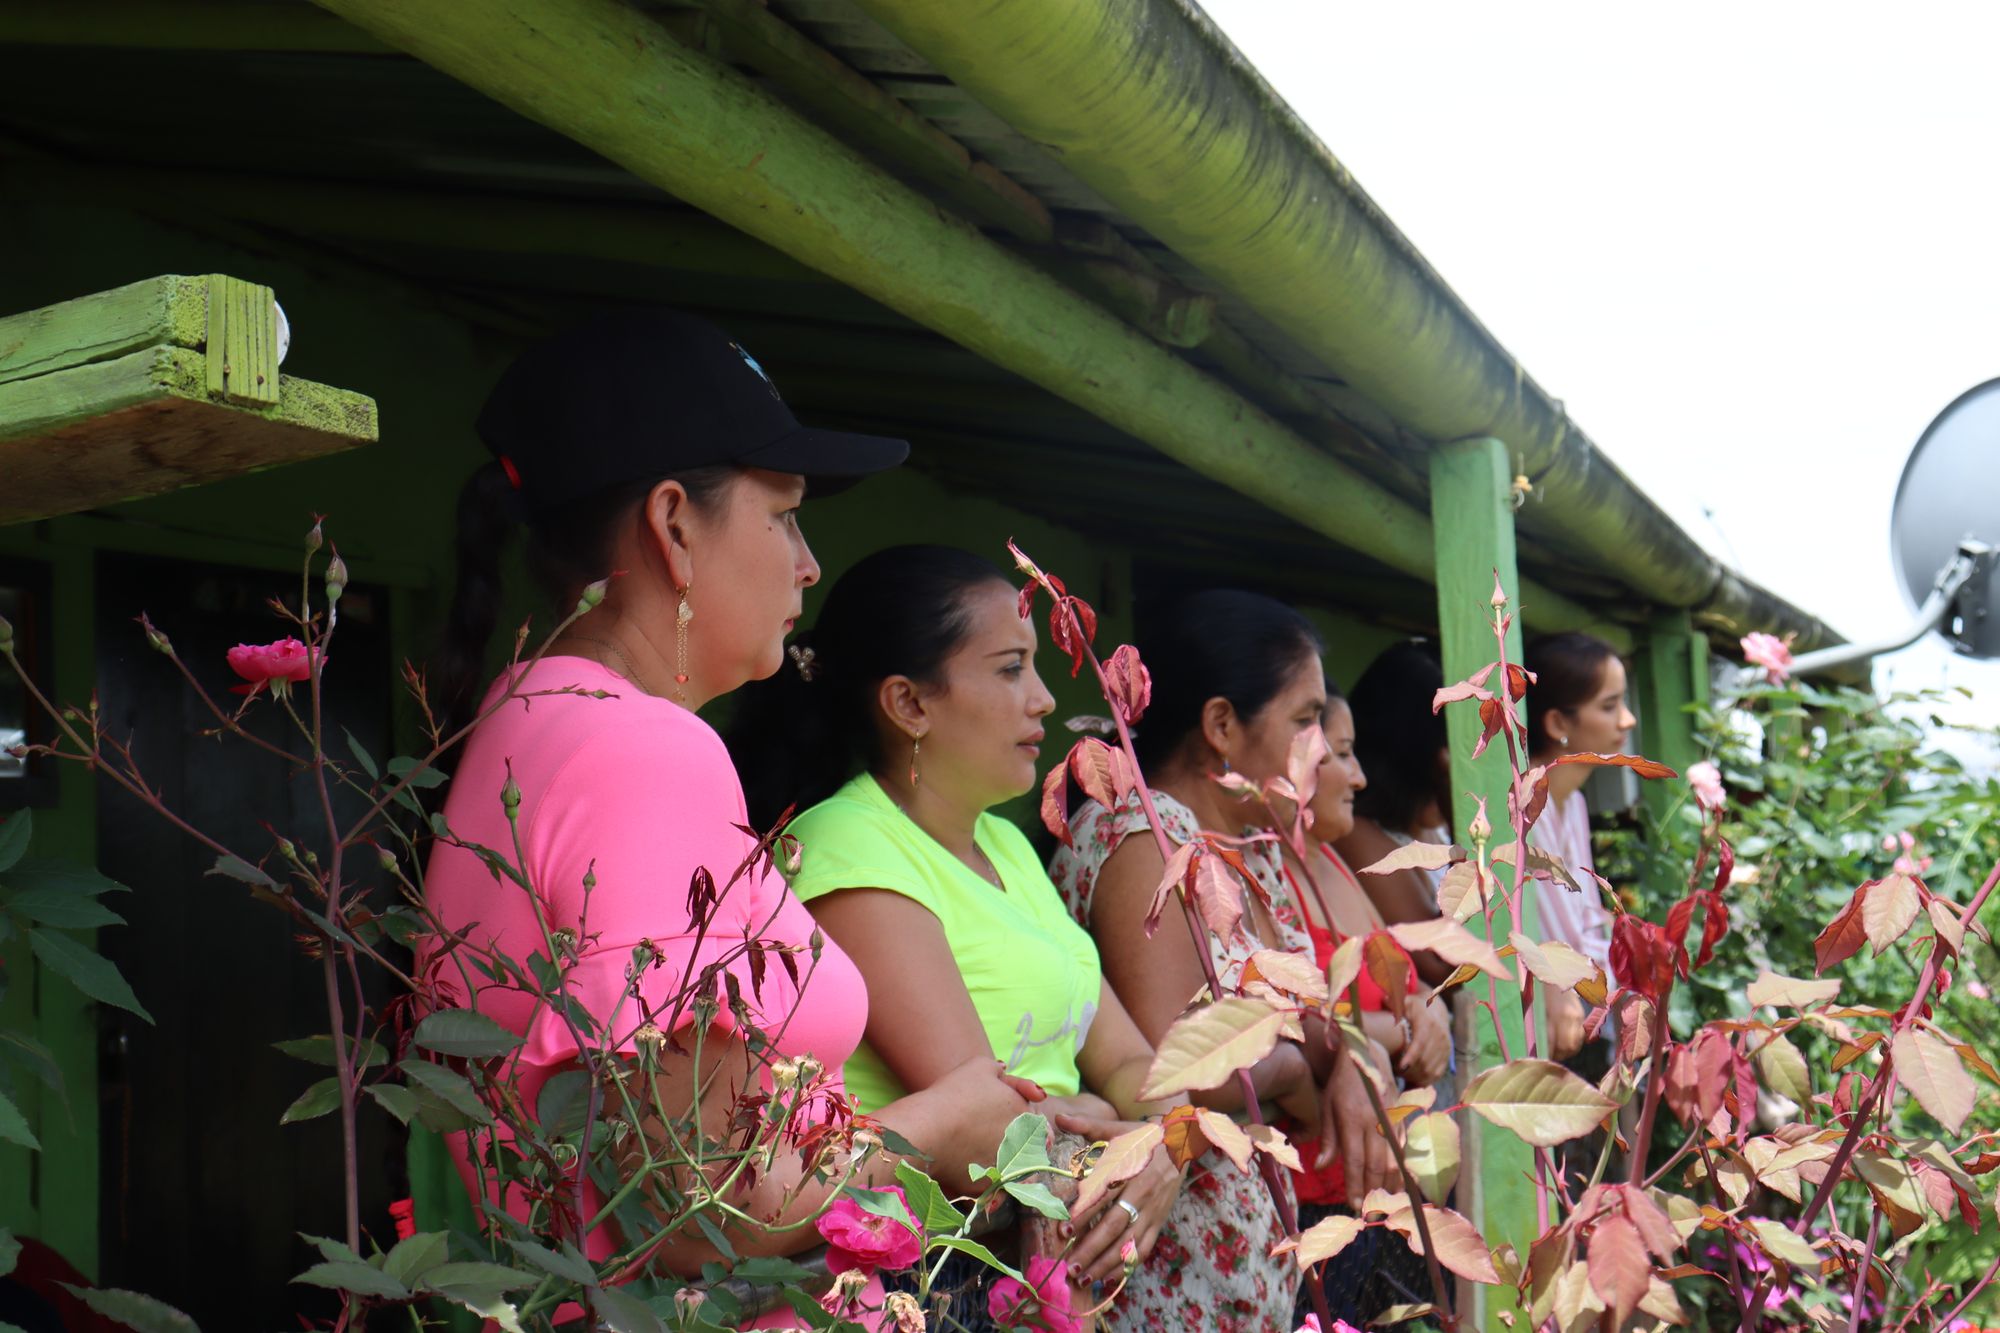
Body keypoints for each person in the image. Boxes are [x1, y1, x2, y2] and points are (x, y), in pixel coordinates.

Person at [421, 312, 1031, 1316]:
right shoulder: (644, 751)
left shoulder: (527, 716)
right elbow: (707, 1211)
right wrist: (948, 1119)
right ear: (672, 525)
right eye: (783, 514)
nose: (807, 564)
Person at [728, 545, 1184, 1323]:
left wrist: (1163, 1136)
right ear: (909, 703)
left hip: (1029, 1269)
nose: (1043, 699)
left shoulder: (1006, 844)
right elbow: (994, 1131)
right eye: (1010, 668)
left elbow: (1130, 1055)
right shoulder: (850, 847)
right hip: (926, 1286)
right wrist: (1137, 1148)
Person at [1048, 589, 1394, 1333]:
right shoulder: (1146, 836)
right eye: (1305, 720)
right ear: (1221, 725)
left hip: (1236, 1280)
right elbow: (1174, 1071)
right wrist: (1306, 1068)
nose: (1325, 748)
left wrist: (1362, 1062)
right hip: (1156, 1278)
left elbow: (1323, 1025)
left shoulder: (1248, 851)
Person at [1278, 681, 1448, 1325]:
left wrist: (1427, 1011)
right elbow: (1290, 1025)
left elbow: (1408, 984)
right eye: (1341, 755)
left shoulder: (1334, 863)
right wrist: (1403, 1030)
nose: (1359, 776)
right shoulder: (1259, 871)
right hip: (1312, 1202)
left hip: (1388, 1196)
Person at [1336, 639, 1586, 1059]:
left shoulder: (1427, 831)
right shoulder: (1359, 835)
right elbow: (1446, 960)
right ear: (1426, 749)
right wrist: (1460, 805)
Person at [1522, 631, 1638, 969]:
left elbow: (1588, 924)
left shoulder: (1572, 802)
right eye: (1609, 706)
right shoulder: (1526, 805)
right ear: (1558, 722)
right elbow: (1562, 947)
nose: (1627, 719)